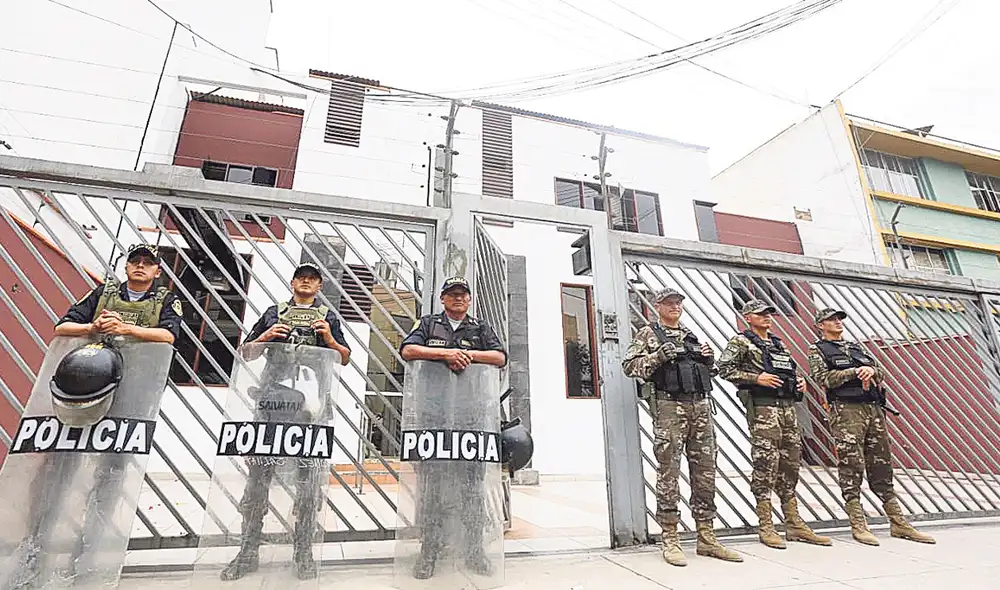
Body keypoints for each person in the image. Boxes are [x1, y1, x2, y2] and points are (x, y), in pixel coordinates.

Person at [221, 262, 351, 581]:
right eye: (301, 278)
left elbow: (344, 357)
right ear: (292, 282)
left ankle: (303, 553)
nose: (306, 282)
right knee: (257, 483)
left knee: (308, 488)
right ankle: (248, 551)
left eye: (313, 279)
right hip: (271, 407)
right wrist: (267, 336)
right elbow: (246, 353)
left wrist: (329, 339)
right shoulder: (272, 312)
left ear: (319, 286)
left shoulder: (327, 316)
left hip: (311, 410)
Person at [622, 288, 742, 567]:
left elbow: (703, 372)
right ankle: (670, 537)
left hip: (700, 407)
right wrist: (657, 357)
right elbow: (629, 366)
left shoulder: (690, 335)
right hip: (669, 408)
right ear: (658, 305)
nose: (675, 306)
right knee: (669, 471)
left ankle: (706, 537)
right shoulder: (648, 334)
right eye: (669, 303)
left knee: (706, 471)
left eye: (678, 303)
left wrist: (708, 361)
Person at [399, 275, 506, 580]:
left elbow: (500, 357)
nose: (458, 299)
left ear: (469, 299)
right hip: (433, 419)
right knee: (432, 490)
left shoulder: (480, 327)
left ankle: (475, 553)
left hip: (470, 420)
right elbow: (408, 351)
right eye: (452, 294)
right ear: (443, 298)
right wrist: (444, 353)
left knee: (472, 491)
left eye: (463, 295)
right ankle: (428, 553)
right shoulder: (429, 324)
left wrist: (468, 355)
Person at [807, 307, 935, 546]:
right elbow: (821, 378)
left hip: (873, 408)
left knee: (881, 463)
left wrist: (872, 371)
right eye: (831, 320)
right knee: (851, 463)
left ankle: (898, 522)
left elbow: (881, 371)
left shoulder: (857, 347)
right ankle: (858, 523)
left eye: (839, 319)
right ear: (820, 325)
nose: (837, 322)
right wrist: (854, 372)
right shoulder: (817, 349)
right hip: (846, 411)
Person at [717, 300, 832, 549]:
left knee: (790, 464)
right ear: (748, 317)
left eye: (769, 313)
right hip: (763, 409)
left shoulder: (778, 343)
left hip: (788, 409)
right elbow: (723, 369)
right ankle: (766, 526)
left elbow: (789, 370)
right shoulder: (740, 342)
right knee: (765, 464)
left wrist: (799, 381)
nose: (767, 317)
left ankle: (794, 523)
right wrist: (756, 377)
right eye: (761, 314)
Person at [55, 243, 182, 344]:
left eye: (148, 263)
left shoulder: (167, 299)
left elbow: (168, 336)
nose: (140, 266)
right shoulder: (103, 293)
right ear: (126, 267)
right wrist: (93, 328)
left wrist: (125, 329)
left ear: (158, 272)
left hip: (142, 368)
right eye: (135, 261)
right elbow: (61, 327)